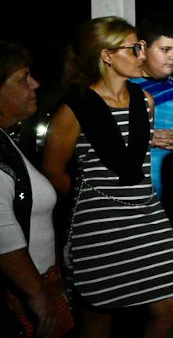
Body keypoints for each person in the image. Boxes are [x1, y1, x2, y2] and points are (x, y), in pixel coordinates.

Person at [40, 17, 173, 337]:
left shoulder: (144, 101)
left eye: (141, 47)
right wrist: (94, 202)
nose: (141, 55)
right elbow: (52, 168)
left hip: (149, 219)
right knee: (98, 320)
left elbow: (139, 162)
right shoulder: (73, 108)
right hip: (101, 229)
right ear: (106, 56)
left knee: (170, 307)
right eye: (134, 48)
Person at [0, 41, 71, 338]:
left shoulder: (8, 142)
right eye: (23, 78)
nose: (35, 84)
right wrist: (36, 295)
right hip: (21, 297)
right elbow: (2, 228)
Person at [129, 14, 173, 201]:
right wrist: (143, 139)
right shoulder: (122, 88)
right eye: (166, 49)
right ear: (142, 48)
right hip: (133, 192)